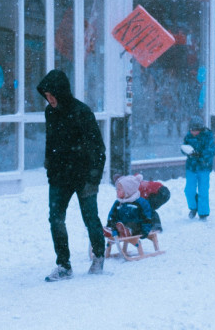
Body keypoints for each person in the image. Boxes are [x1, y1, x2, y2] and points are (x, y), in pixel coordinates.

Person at [37, 69, 107, 281]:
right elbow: (51, 142)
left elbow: (98, 148)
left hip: (84, 175)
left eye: (52, 96)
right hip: (60, 176)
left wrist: (94, 176)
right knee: (56, 219)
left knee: (90, 217)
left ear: (61, 93)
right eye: (47, 97)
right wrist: (50, 167)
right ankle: (64, 264)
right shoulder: (50, 113)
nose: (50, 101)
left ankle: (99, 256)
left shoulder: (82, 112)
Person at [181, 115, 215, 220]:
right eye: (191, 129)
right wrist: (186, 151)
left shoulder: (208, 136)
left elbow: (210, 152)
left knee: (203, 190)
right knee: (189, 190)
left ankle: (203, 212)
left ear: (200, 129)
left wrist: (199, 155)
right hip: (191, 167)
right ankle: (193, 207)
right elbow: (184, 147)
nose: (192, 132)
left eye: (194, 130)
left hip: (204, 168)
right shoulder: (188, 136)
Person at [106, 174, 154, 239]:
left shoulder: (140, 202)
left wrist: (145, 230)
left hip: (137, 227)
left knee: (134, 225)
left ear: (128, 191)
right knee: (116, 224)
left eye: (119, 190)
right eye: (116, 189)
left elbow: (147, 218)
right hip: (120, 225)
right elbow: (112, 214)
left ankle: (127, 231)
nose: (117, 191)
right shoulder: (118, 202)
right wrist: (110, 223)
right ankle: (110, 230)